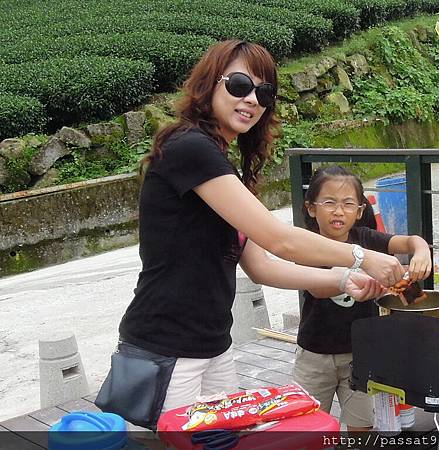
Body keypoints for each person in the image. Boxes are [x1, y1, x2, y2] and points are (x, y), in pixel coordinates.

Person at [116, 40, 405, 415]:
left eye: (263, 91)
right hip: (166, 347)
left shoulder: (219, 164)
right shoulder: (190, 147)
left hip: (214, 346)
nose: (251, 98)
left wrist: (342, 280)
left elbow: (262, 265)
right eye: (239, 85)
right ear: (209, 84)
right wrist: (361, 257)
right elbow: (280, 239)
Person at [293, 165, 432, 431]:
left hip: (361, 354)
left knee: (362, 428)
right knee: (306, 430)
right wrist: (363, 277)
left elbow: (410, 241)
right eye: (329, 203)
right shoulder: (307, 244)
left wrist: (421, 250)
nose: (338, 211)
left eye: (347, 204)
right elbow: (318, 289)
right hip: (315, 355)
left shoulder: (365, 238)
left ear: (359, 211)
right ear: (311, 208)